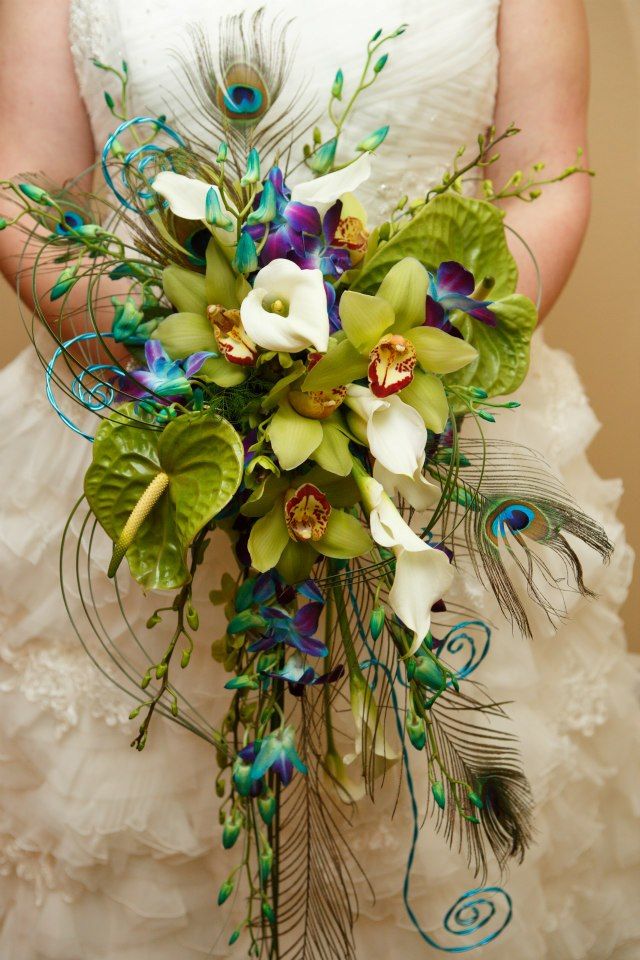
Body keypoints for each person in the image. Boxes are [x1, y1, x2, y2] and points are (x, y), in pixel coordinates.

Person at [0, 1, 637, 958]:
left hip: (433, 441)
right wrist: (191, 379)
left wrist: (397, 383)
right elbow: (27, 185)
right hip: (141, 427)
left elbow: (544, 181)